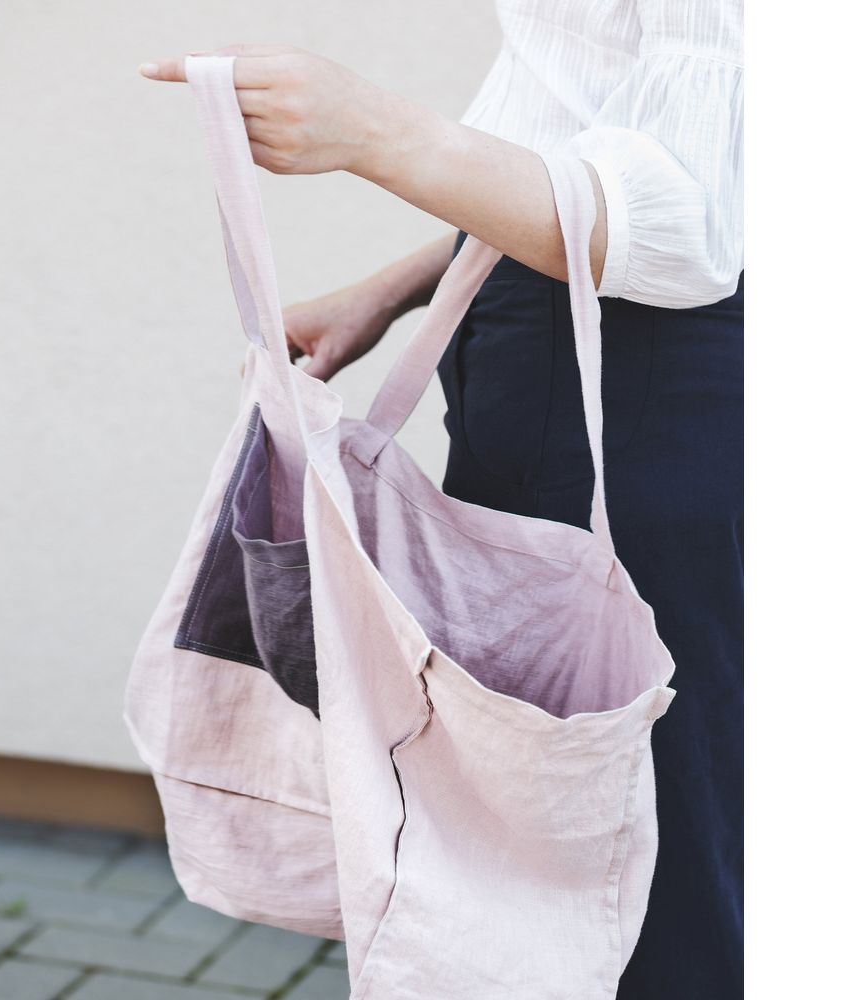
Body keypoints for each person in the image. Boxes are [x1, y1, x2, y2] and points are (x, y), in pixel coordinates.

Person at [140, 3, 743, 997]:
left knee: (636, 844)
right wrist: (407, 281)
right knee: (565, 814)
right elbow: (632, 136)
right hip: (568, 319)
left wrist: (372, 129)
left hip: (640, 367)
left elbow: (680, 225)